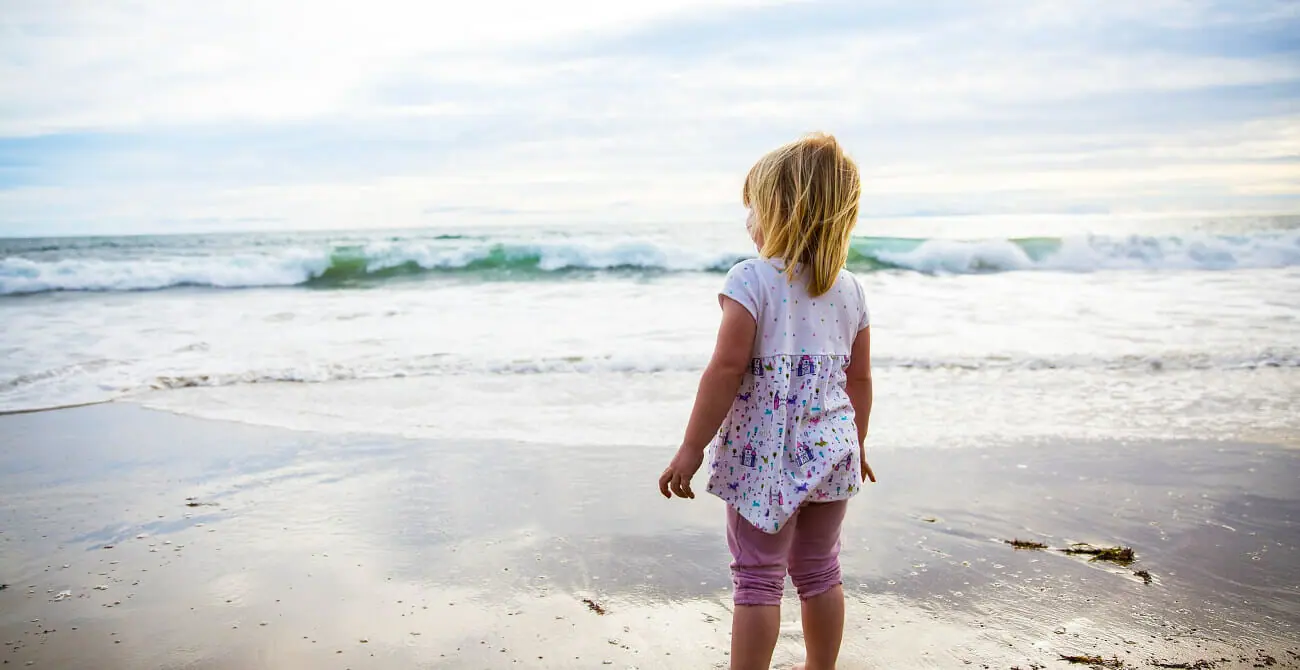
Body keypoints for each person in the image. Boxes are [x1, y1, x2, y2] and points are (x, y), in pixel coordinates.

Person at [658, 132, 876, 670]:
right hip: (832, 449)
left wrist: (691, 447)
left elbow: (727, 369)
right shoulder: (849, 289)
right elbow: (860, 380)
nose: (748, 222)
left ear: (780, 211)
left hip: (765, 455)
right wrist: (858, 444)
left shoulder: (751, 278)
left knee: (757, 576)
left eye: (752, 208)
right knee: (821, 569)